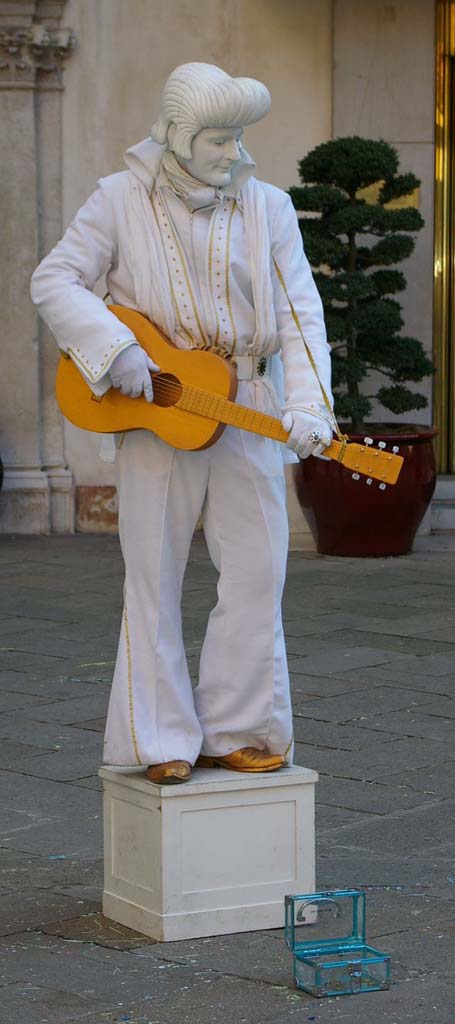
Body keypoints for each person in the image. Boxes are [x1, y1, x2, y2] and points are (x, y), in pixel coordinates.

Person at [31, 62, 334, 784]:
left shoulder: (271, 207)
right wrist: (116, 348)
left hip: (248, 407)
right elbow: (56, 278)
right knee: (153, 574)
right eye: (216, 139)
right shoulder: (116, 199)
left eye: (237, 138)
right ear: (174, 133)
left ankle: (238, 727)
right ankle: (160, 734)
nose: (232, 153)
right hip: (154, 411)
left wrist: (311, 405)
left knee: (260, 572)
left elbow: (301, 310)